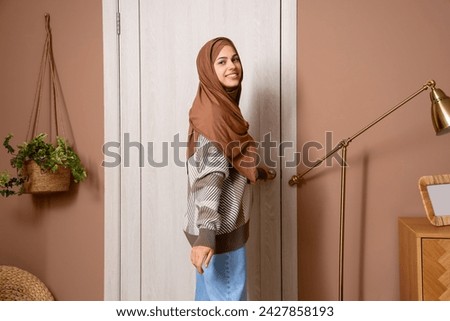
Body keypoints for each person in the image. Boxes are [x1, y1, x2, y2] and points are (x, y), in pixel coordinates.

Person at [184, 37, 275, 301]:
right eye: (221, 62)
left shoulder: (218, 106)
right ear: (207, 71)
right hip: (219, 232)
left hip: (213, 231)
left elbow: (227, 159)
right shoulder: (215, 116)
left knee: (208, 303)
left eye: (235, 59)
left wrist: (254, 171)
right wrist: (207, 235)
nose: (232, 66)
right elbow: (210, 177)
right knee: (227, 304)